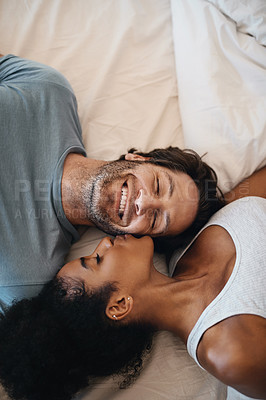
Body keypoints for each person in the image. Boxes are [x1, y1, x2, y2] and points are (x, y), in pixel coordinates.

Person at [0, 53, 265, 313]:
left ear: (132, 237)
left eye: (155, 220)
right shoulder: (50, 93)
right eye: (159, 185)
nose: (144, 202)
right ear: (139, 158)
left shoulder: (25, 280)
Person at [0, 196, 265, 400]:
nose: (103, 243)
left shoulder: (181, 242)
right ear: (119, 305)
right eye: (96, 260)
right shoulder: (231, 354)